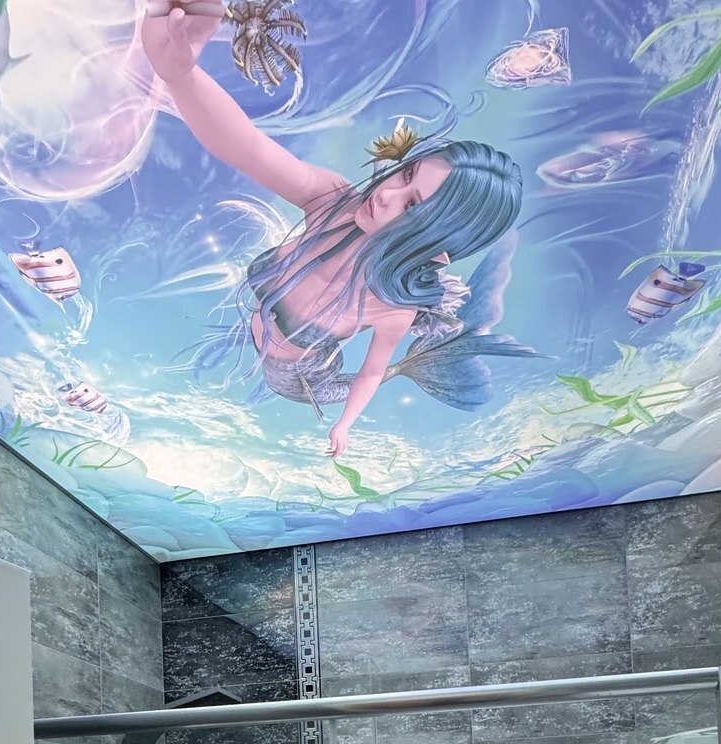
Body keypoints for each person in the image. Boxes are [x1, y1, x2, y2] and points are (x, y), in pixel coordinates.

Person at [142, 0, 531, 456]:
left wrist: (344, 426)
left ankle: (424, 366)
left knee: (369, 375)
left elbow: (370, 370)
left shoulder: (392, 306)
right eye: (406, 175)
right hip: (262, 335)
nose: (385, 194)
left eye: (412, 207)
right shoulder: (330, 202)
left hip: (298, 379)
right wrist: (181, 77)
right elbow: (248, 147)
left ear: (436, 250)